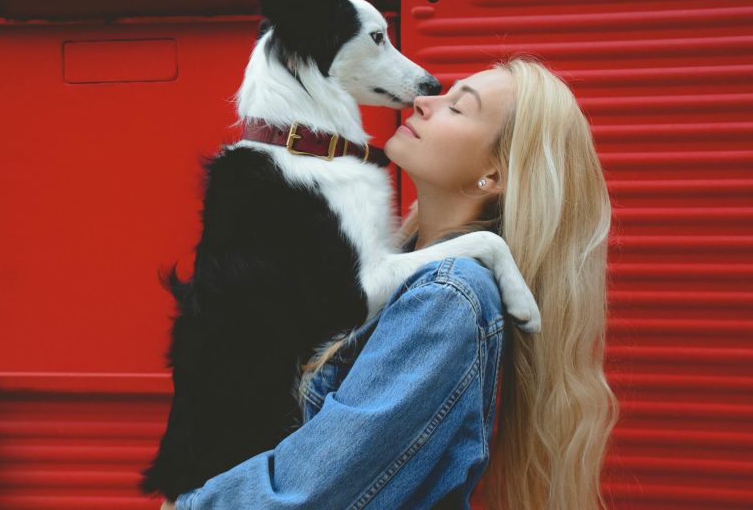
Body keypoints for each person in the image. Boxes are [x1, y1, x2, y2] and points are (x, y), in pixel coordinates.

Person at [163, 57, 618, 510]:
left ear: (494, 175)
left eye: (458, 108)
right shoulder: (397, 270)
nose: (422, 101)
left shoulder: (448, 294)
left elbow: (316, 491)